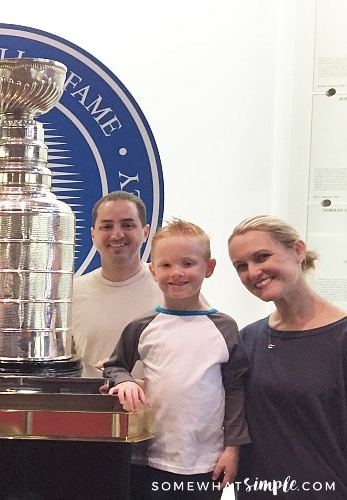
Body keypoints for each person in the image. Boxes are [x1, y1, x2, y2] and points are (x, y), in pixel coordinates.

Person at [103, 219, 250, 499]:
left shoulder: (225, 328)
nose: (177, 273)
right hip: (148, 458)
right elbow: (114, 366)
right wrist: (124, 382)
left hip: (204, 461)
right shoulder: (142, 326)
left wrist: (233, 449)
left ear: (209, 268)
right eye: (166, 265)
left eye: (187, 263)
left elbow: (235, 390)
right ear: (153, 271)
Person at [227, 215, 347, 498]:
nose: (253, 272)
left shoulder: (341, 337)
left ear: (298, 251)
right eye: (241, 266)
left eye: (262, 257)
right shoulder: (247, 339)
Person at [70, 191, 163, 372]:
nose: (117, 235)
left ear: (145, 233)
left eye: (127, 225)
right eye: (106, 227)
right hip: (92, 400)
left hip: (155, 401)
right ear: (93, 235)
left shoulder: (168, 288)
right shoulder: (72, 294)